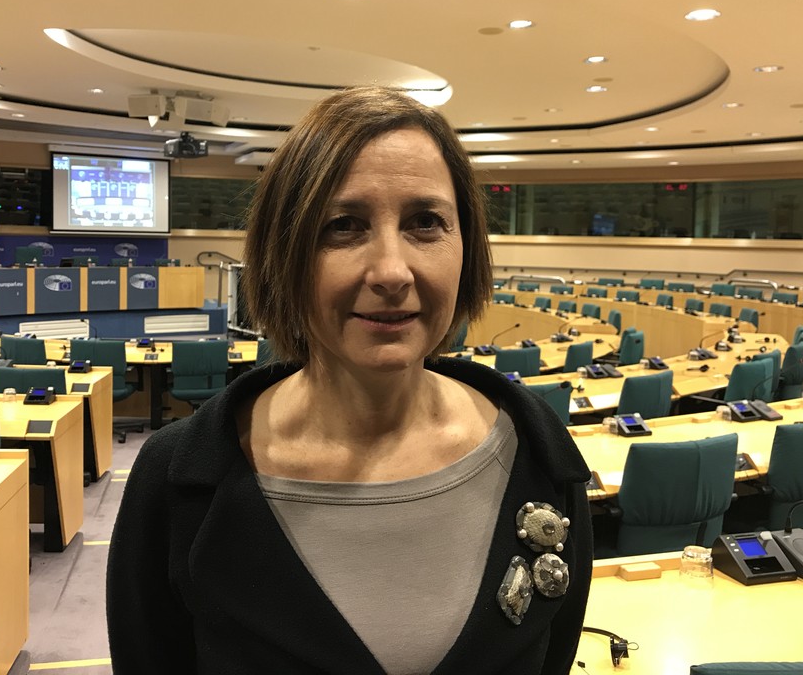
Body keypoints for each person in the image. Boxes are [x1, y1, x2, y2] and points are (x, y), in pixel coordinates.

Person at [107, 86, 592, 674]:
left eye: (426, 222)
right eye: (343, 226)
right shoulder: (175, 478)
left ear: (467, 246)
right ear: (284, 253)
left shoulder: (539, 450)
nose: (391, 271)